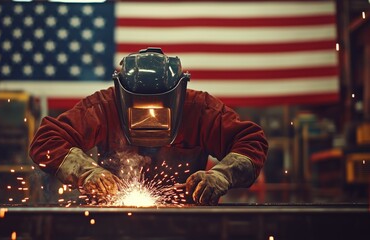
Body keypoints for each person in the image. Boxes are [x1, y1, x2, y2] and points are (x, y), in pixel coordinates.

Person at [29, 47, 268, 205]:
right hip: (115, 222)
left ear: (178, 96)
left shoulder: (199, 109)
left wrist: (221, 175)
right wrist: (86, 173)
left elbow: (252, 141)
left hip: (189, 221)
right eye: (139, 111)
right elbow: (47, 140)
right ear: (122, 96)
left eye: (159, 111)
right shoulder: (105, 106)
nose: (150, 119)